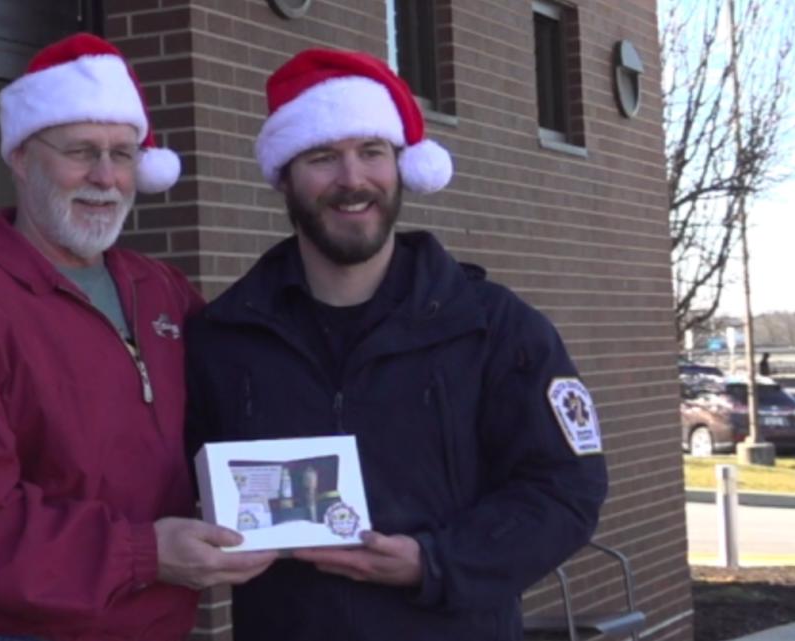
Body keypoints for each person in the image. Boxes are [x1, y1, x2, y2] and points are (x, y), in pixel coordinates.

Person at [184, 48, 609, 640]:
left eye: (371, 152)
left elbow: (566, 490)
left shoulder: (494, 327)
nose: (352, 179)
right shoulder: (225, 337)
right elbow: (177, 488)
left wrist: (434, 562)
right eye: (322, 157)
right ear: (284, 175)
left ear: (401, 166)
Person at [0, 33, 275, 641]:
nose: (106, 176)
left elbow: (236, 404)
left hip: (154, 625)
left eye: (123, 153)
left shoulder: (159, 289)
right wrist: (144, 554)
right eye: (81, 151)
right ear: (20, 157)